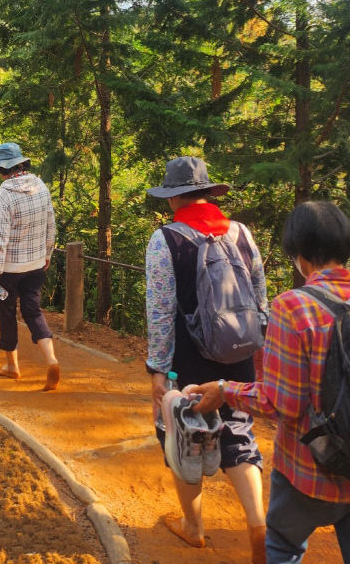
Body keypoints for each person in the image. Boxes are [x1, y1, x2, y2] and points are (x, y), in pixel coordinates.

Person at [190, 201, 350, 564]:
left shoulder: (294, 307)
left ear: (301, 257)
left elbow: (282, 402)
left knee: (281, 547)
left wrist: (224, 390)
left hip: (310, 467)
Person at [145, 155, 268, 562]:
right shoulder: (241, 233)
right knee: (237, 426)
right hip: (239, 353)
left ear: (173, 199)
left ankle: (194, 527)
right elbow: (259, 301)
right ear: (208, 192)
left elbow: (160, 310)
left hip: (188, 357)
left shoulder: (166, 239)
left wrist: (159, 372)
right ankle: (256, 520)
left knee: (182, 433)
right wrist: (257, 352)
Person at [0, 142, 60, 391]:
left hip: (9, 269)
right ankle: (51, 359)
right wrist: (47, 253)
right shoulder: (40, 185)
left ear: (3, 170)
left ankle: (12, 366)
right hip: (37, 263)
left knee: (7, 312)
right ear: (22, 163)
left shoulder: (6, 192)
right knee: (33, 310)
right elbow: (51, 223)